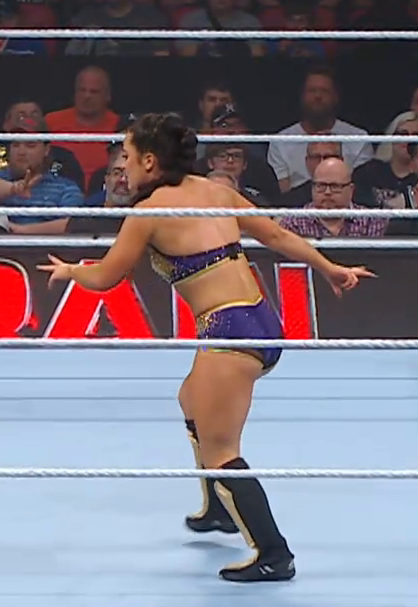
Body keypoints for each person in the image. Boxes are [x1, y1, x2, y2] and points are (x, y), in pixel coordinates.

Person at [37, 114, 372, 582]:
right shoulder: (215, 191)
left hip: (229, 330)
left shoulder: (148, 212)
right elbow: (276, 235)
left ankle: (274, 554)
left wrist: (72, 271)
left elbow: (107, 276)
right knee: (190, 398)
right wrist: (329, 267)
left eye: (127, 157)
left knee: (223, 451)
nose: (122, 166)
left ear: (149, 161)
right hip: (258, 316)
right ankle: (218, 507)